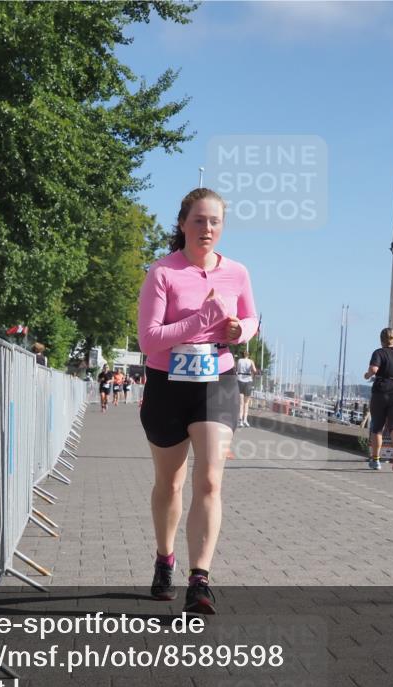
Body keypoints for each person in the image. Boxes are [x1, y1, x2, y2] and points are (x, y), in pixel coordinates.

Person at [137, 187, 258, 615]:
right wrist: (198, 321)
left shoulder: (237, 272)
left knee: (209, 480)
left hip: (216, 381)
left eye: (215, 222)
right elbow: (148, 339)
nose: (207, 228)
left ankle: (199, 579)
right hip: (166, 384)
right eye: (199, 220)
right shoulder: (163, 272)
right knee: (170, 483)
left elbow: (250, 318)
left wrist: (237, 331)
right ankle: (164, 558)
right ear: (183, 223)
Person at [363, 327, 393, 472]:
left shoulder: (378, 353)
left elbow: (374, 370)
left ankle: (376, 460)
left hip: (381, 392)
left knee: (377, 427)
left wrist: (367, 375)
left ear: (381, 339)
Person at [235, 348, 257, 427]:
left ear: (242, 354)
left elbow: (236, 370)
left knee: (241, 403)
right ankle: (245, 420)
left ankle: (240, 420)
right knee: (246, 403)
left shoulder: (239, 361)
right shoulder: (251, 361)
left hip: (240, 380)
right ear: (249, 354)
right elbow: (254, 370)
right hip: (248, 381)